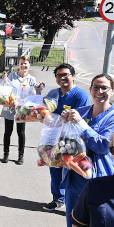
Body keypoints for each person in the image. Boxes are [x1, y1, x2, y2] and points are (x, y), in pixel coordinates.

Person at [51, 74, 114, 227]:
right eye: (96, 88)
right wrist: (63, 124)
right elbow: (66, 139)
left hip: (99, 180)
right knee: (74, 222)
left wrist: (81, 125)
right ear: (91, 89)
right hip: (75, 176)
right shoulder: (82, 111)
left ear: (113, 91)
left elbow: (103, 146)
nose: (100, 92)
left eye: (104, 88)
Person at [43, 63, 92, 211]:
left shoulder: (80, 95)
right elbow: (44, 110)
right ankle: (58, 199)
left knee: (74, 171)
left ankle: (77, 205)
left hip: (72, 141)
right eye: (59, 75)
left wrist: (64, 118)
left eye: (66, 75)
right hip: (54, 138)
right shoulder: (54, 93)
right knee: (55, 169)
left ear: (73, 76)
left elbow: (81, 119)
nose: (62, 78)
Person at [2, 55, 44, 165]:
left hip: (22, 109)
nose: (23, 65)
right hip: (10, 107)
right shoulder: (12, 75)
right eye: (21, 63)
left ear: (29, 65)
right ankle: (6, 154)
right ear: (18, 64)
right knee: (8, 132)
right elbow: (6, 90)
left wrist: (38, 88)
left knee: (21, 132)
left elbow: (33, 95)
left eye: (25, 63)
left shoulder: (31, 79)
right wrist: (5, 81)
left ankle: (21, 156)